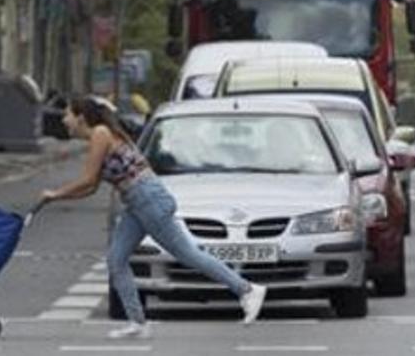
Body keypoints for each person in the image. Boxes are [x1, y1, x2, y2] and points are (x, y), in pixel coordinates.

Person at [40, 96, 266, 338]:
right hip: (137, 202)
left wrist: (55, 193)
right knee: (116, 260)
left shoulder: (100, 133)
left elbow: (87, 179)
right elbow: (92, 187)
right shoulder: (100, 135)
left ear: (80, 117)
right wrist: (56, 198)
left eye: (67, 115)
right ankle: (137, 323)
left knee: (188, 254)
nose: (64, 120)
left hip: (148, 199)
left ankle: (247, 289)